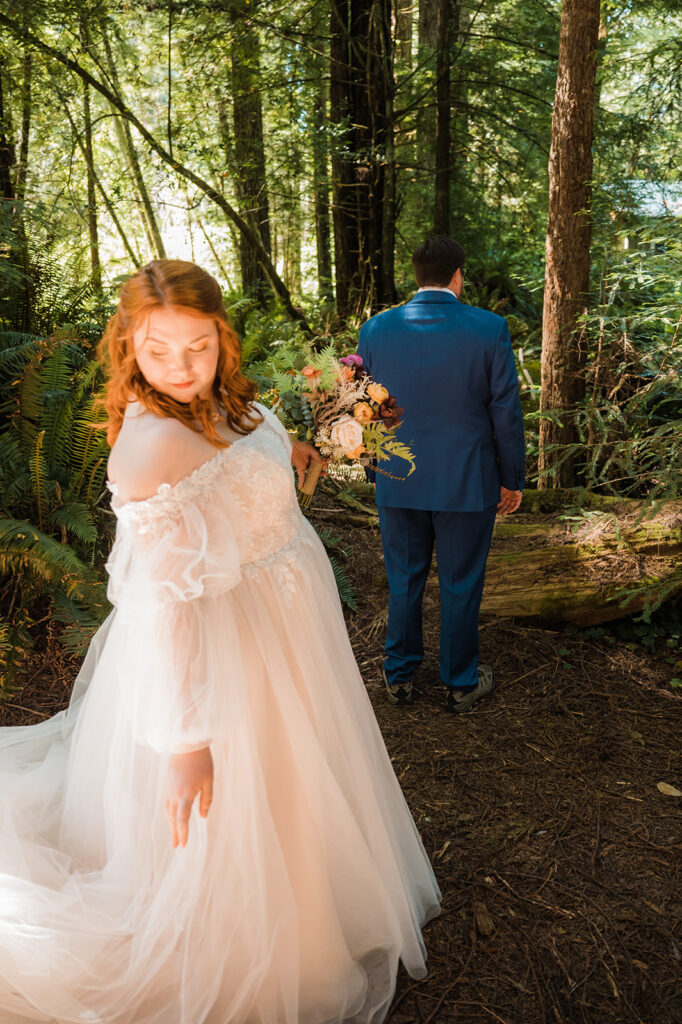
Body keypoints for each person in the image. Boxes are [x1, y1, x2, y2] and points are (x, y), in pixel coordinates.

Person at [0, 260, 440, 1024]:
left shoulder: (243, 404)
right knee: (238, 807)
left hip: (289, 624)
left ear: (223, 340)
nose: (179, 368)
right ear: (128, 345)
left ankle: (324, 892)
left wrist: (297, 450)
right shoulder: (147, 450)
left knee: (307, 772)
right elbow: (167, 612)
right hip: (225, 650)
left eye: (197, 347)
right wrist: (186, 739)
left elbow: (250, 461)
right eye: (157, 350)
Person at [357, 236, 525, 713]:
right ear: (457, 275)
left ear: (417, 275)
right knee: (460, 581)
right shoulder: (488, 328)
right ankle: (459, 680)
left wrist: (376, 470)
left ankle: (399, 676)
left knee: (404, 578)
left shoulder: (375, 329)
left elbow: (363, 407)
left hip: (397, 475)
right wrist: (512, 477)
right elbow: (505, 412)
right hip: (467, 480)